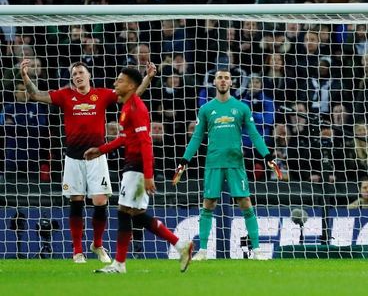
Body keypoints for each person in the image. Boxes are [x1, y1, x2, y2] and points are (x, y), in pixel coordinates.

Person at [20, 59, 155, 264]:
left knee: (100, 201)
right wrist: (25, 76)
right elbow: (36, 95)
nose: (77, 76)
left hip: (97, 157)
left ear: (89, 75)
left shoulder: (102, 94)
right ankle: (77, 251)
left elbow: (132, 95)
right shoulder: (65, 95)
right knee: (76, 201)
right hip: (73, 157)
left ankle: (98, 244)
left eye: (81, 72)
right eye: (74, 74)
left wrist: (147, 77)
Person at [84, 67, 193, 274]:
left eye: (120, 81)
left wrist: (149, 175)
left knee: (125, 212)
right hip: (133, 167)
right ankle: (180, 246)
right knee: (135, 214)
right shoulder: (127, 107)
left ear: (131, 86)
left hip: (137, 168)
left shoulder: (136, 108)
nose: (115, 84)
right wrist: (101, 150)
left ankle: (120, 264)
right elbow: (126, 138)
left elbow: (145, 142)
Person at [176, 69, 281, 261]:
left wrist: (267, 155)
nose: (223, 81)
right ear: (214, 82)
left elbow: (255, 134)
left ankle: (257, 250)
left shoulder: (241, 108)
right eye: (219, 78)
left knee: (245, 202)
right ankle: (203, 251)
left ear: (231, 83)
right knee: (208, 204)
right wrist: (184, 160)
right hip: (214, 163)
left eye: (226, 78)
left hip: (235, 163)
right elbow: (197, 137)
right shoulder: (206, 109)